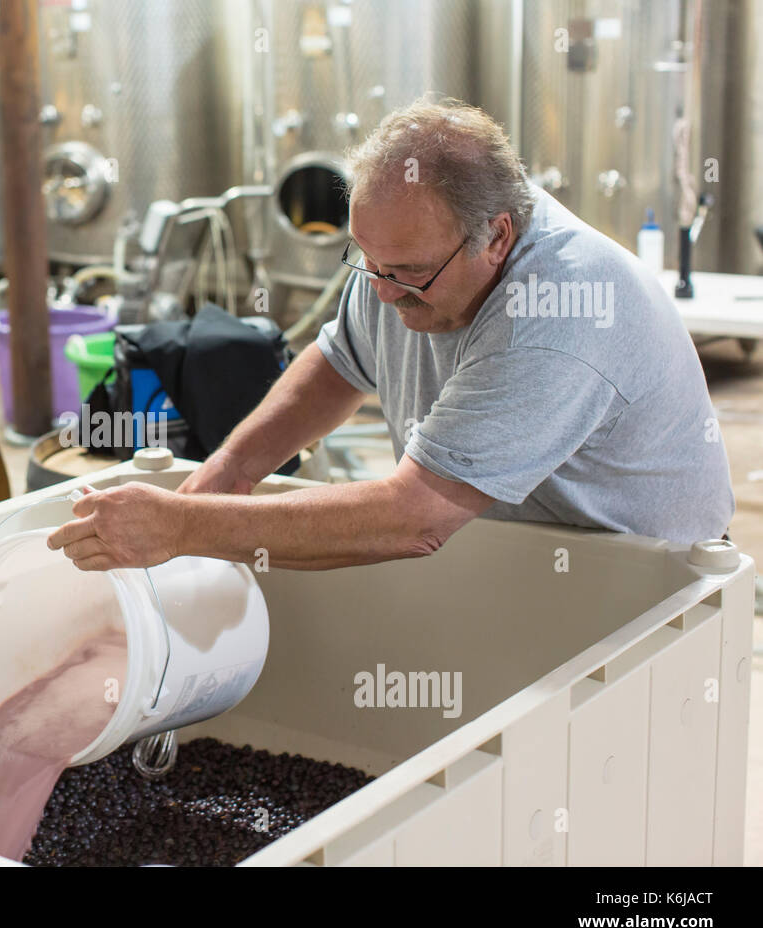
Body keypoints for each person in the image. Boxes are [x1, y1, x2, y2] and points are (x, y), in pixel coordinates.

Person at [47, 97, 735, 572]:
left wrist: (183, 530)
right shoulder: (401, 251)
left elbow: (413, 519)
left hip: (648, 582)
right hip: (520, 550)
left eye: (404, 274)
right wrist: (222, 477)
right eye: (366, 263)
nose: (380, 291)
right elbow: (340, 363)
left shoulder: (563, 310)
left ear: (496, 236)